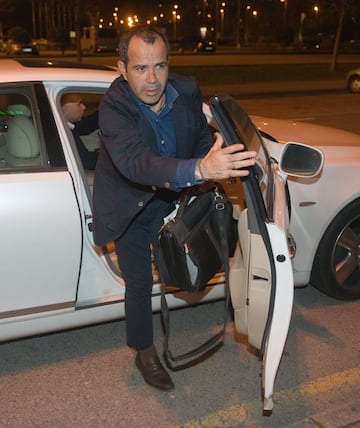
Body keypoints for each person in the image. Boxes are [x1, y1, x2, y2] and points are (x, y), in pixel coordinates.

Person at [92, 24, 256, 391]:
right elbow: (136, 163)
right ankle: (144, 350)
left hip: (173, 195)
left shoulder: (185, 90)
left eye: (160, 66)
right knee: (138, 283)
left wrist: (209, 160)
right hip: (130, 203)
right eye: (139, 68)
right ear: (122, 68)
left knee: (184, 260)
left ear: (169, 64)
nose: (152, 80)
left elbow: (199, 137)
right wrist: (199, 168)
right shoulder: (114, 106)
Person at [61, 93, 99, 170]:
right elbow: (86, 161)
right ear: (66, 108)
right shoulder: (62, 133)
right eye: (79, 104)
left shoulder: (65, 127)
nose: (84, 107)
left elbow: (86, 125)